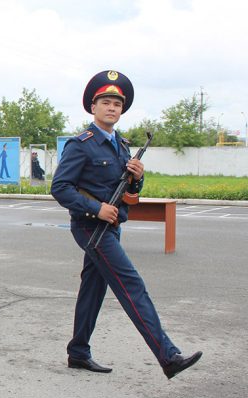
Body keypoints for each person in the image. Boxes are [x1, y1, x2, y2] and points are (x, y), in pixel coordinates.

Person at [51, 70, 202, 379]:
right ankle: (168, 355)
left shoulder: (122, 146)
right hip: (91, 229)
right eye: (105, 102)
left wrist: (137, 178)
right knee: (131, 285)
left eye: (117, 104)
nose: (112, 108)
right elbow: (60, 187)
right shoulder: (81, 144)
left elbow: (130, 196)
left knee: (92, 289)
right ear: (93, 107)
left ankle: (78, 352)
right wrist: (96, 208)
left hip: (113, 227)